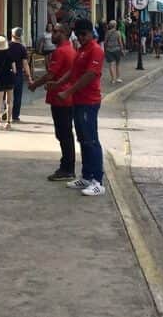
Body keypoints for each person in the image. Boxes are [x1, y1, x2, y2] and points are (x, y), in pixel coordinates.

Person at [57, 18, 105, 197]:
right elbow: (74, 71)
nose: (81, 37)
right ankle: (86, 176)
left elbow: (90, 75)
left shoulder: (95, 50)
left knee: (91, 140)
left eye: (83, 34)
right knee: (83, 139)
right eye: (78, 35)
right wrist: (59, 83)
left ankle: (97, 181)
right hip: (79, 100)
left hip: (89, 101)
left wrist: (68, 91)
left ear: (91, 33)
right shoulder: (81, 50)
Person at [28, 23, 76, 180]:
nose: (51, 34)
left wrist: (34, 85)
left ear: (63, 33)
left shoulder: (61, 52)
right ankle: (67, 166)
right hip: (64, 97)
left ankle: (67, 169)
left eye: (55, 32)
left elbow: (50, 75)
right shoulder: (70, 49)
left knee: (63, 134)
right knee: (64, 133)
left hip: (61, 98)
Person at [8, 28, 31, 122]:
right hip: (18, 73)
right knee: (17, 95)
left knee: (7, 94)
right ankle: (15, 115)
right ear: (20, 36)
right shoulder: (22, 48)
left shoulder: (7, 46)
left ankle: (7, 111)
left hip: (7, 72)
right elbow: (25, 63)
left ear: (12, 35)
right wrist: (29, 76)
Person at [103, 20, 125, 84]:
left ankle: (113, 79)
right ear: (115, 25)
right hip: (117, 50)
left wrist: (105, 50)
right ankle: (118, 78)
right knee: (117, 65)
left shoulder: (107, 33)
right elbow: (120, 42)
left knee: (111, 65)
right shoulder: (118, 33)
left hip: (109, 50)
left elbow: (105, 42)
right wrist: (122, 50)